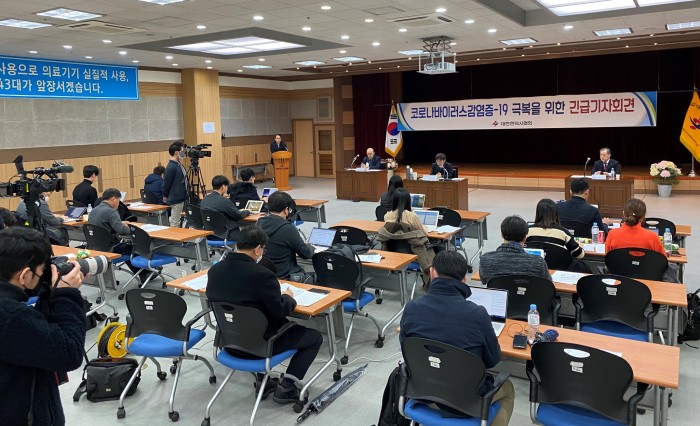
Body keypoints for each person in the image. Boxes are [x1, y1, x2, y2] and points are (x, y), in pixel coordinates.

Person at [206, 226, 322, 404]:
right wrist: (288, 297)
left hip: (229, 342)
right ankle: (287, 387)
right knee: (314, 338)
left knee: (251, 323)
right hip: (262, 346)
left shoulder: (215, 271)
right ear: (258, 249)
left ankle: (263, 380)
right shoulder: (263, 275)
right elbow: (279, 312)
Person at [400, 251, 515, 426]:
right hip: (465, 401)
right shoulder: (477, 314)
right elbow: (492, 361)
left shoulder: (411, 308)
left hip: (422, 393)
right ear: (464, 279)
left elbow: (407, 351)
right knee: (508, 388)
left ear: (432, 272)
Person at [0, 226, 86, 425]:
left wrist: (48, 293)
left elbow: (37, 334)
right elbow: (69, 353)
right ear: (24, 275)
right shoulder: (11, 317)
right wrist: (66, 294)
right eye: (41, 272)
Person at [377, 188, 435, 285]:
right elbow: (422, 233)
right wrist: (425, 227)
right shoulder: (412, 216)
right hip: (413, 252)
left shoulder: (387, 216)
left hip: (393, 252)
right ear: (408, 201)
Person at [256, 191, 314, 280]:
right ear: (286, 210)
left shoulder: (258, 223)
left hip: (265, 273)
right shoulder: (288, 228)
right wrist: (310, 246)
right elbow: (306, 254)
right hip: (286, 275)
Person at [479, 215, 551, 284]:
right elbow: (548, 284)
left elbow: (484, 281)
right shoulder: (538, 263)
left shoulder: (485, 259)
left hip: (498, 293)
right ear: (525, 238)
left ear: (502, 235)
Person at [89, 188, 140, 275]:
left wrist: (120, 223)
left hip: (95, 246)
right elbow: (121, 230)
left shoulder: (94, 210)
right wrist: (133, 229)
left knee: (125, 247)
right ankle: (144, 273)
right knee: (134, 248)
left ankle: (142, 273)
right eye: (119, 200)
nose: (119, 203)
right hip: (110, 248)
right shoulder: (112, 211)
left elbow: (103, 223)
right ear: (113, 199)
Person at [162, 142, 188, 227]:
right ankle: (174, 236)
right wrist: (165, 195)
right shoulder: (171, 167)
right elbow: (166, 183)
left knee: (178, 221)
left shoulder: (178, 165)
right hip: (177, 198)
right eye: (182, 151)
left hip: (181, 197)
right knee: (175, 223)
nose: (183, 153)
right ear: (177, 152)